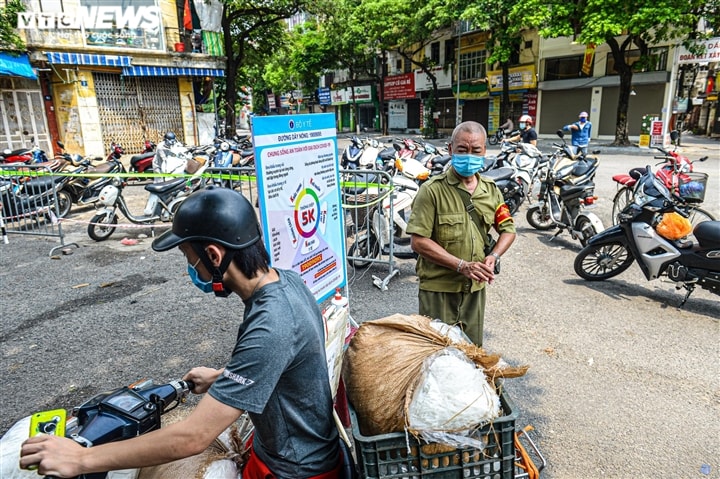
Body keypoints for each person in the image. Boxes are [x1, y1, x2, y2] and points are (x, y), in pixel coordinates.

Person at [20, 187, 341, 479]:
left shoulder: (273, 323)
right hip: (289, 449)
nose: (195, 271)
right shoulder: (284, 282)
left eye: (192, 260)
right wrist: (221, 377)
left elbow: (193, 437)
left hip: (294, 471)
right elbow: (285, 360)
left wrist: (80, 459)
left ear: (215, 256)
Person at [406, 121, 516, 346]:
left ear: (484, 151)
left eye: (476, 151)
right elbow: (418, 242)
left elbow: (508, 230)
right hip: (438, 290)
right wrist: (461, 265)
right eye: (462, 150)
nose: (469, 156)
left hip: (474, 289)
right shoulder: (432, 190)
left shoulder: (491, 190)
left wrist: (494, 256)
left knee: (471, 351)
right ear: (450, 150)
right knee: (436, 354)